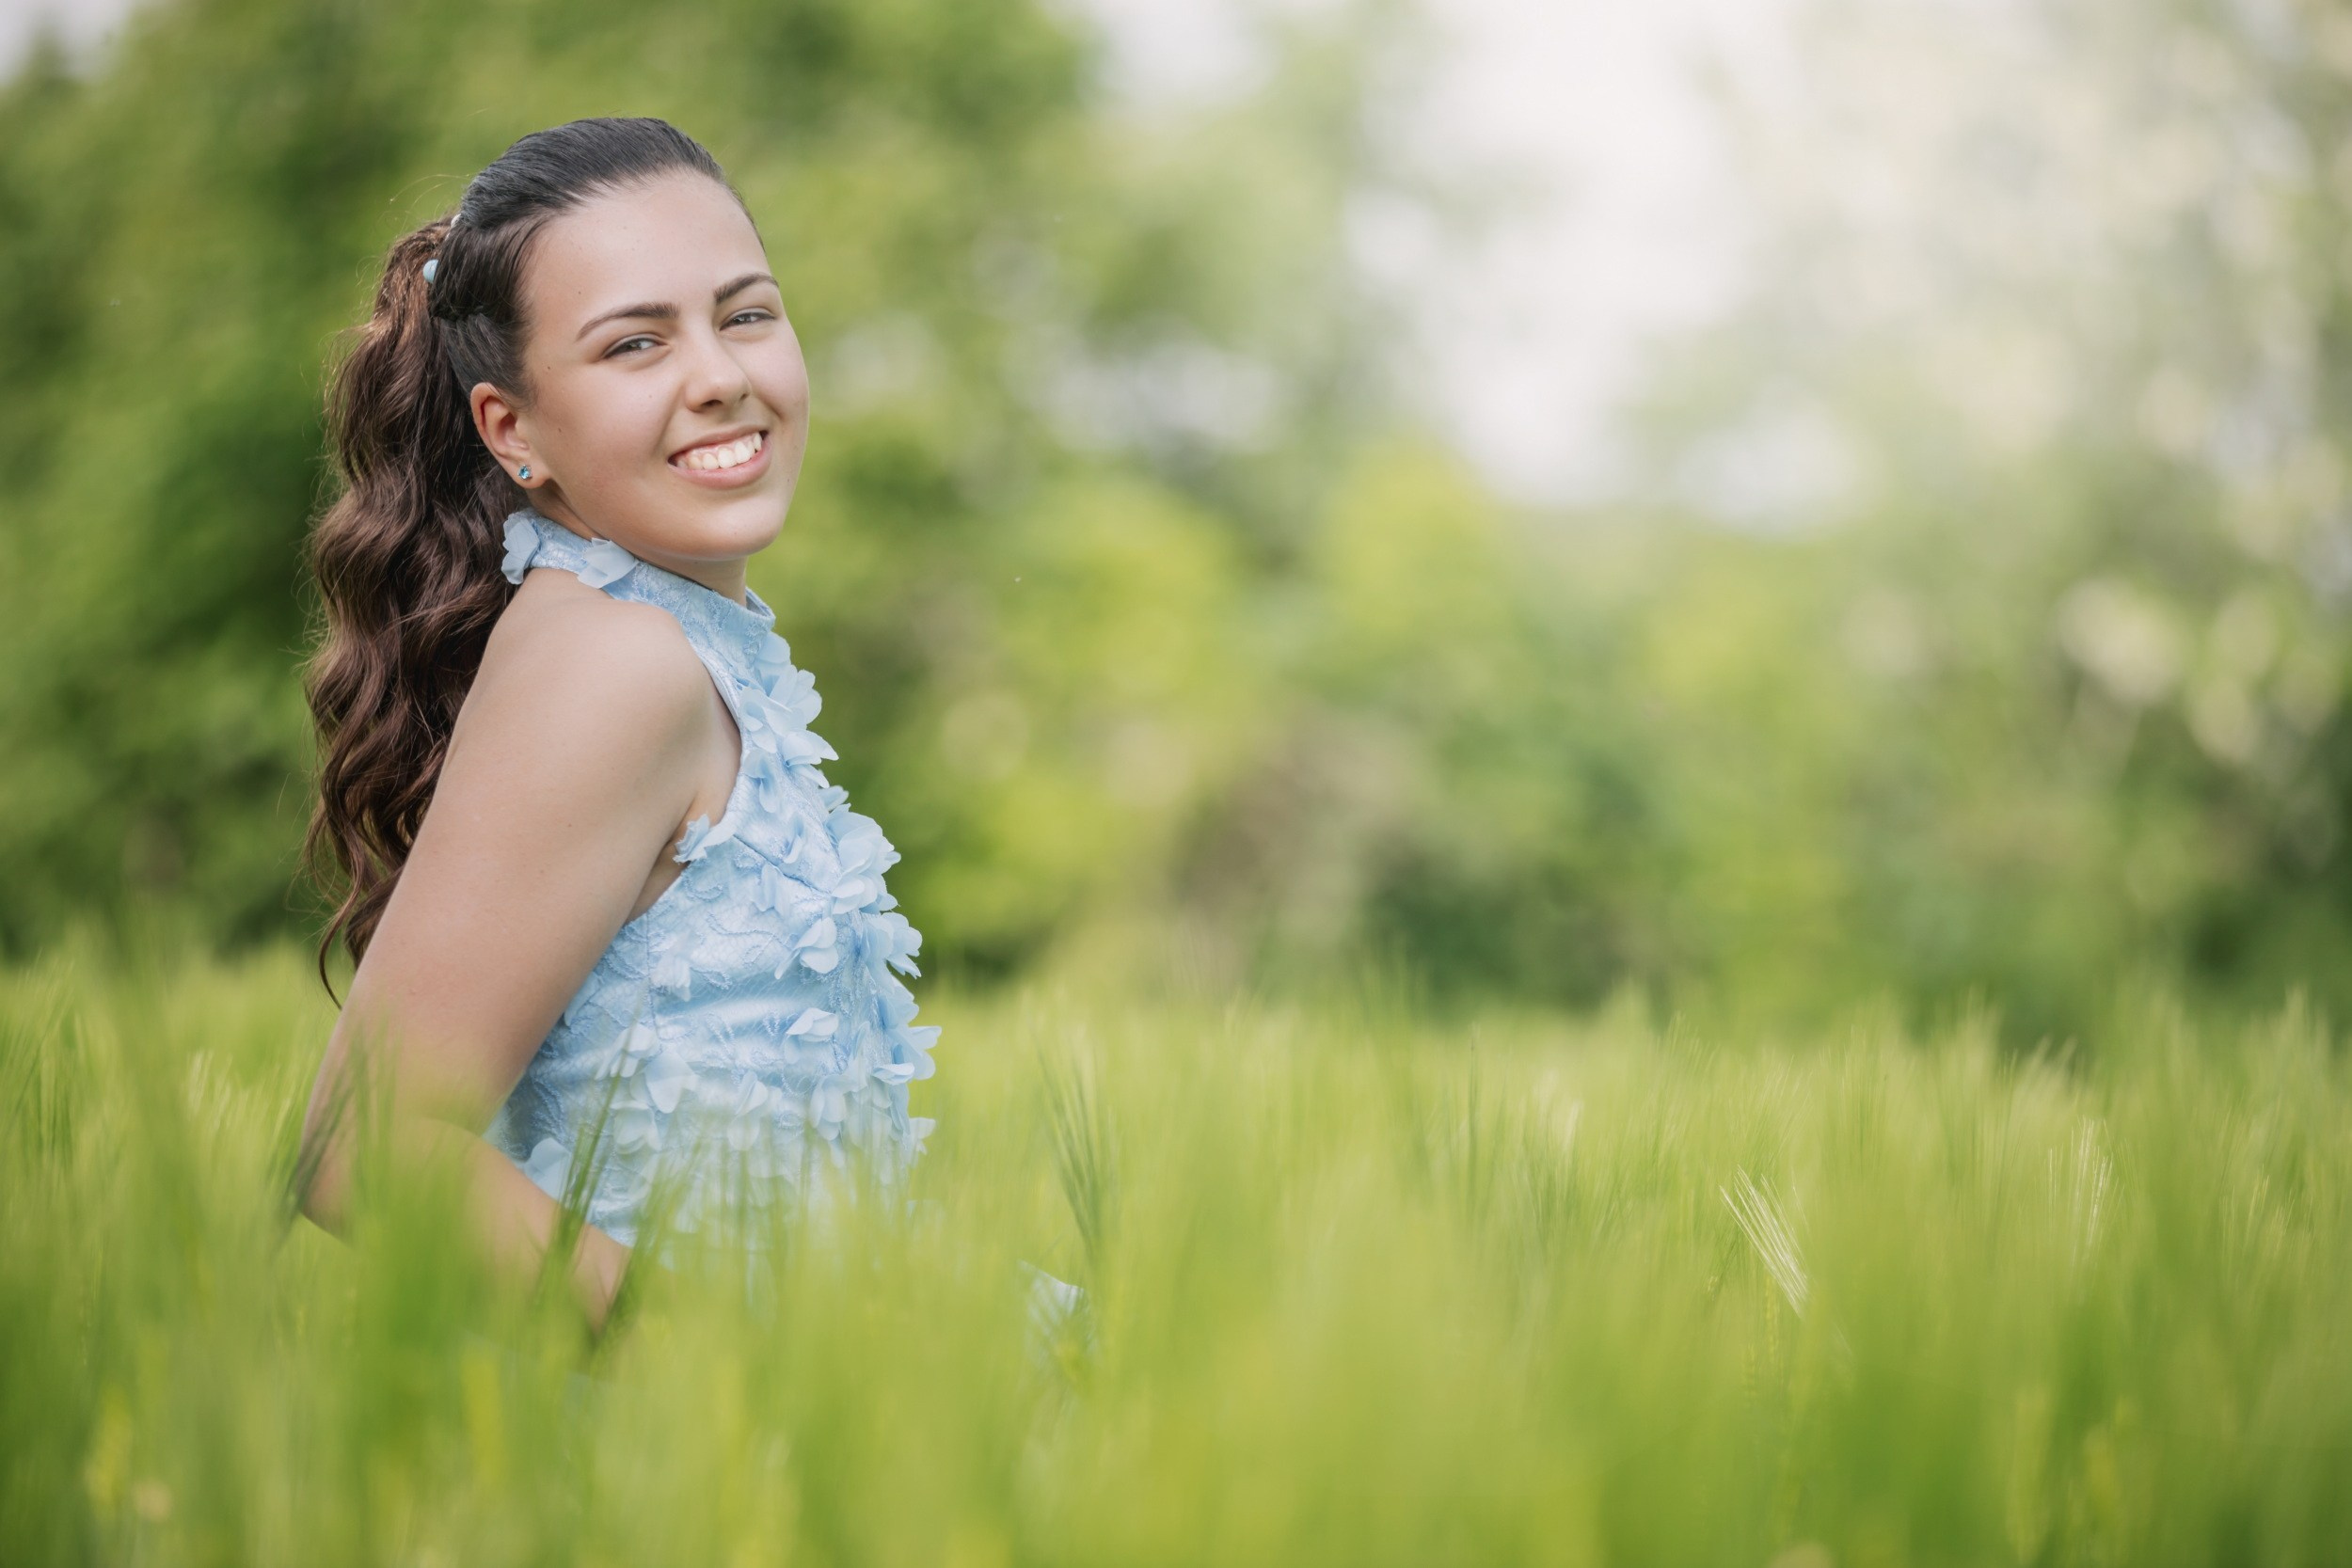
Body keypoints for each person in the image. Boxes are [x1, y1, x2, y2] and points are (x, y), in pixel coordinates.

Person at [294, 119, 937, 1335]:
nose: (719, 375)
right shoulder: (616, 661)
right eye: (636, 343)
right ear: (512, 430)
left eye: (745, 314)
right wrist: (750, 1386)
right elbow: (363, 1152)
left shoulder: (652, 636)